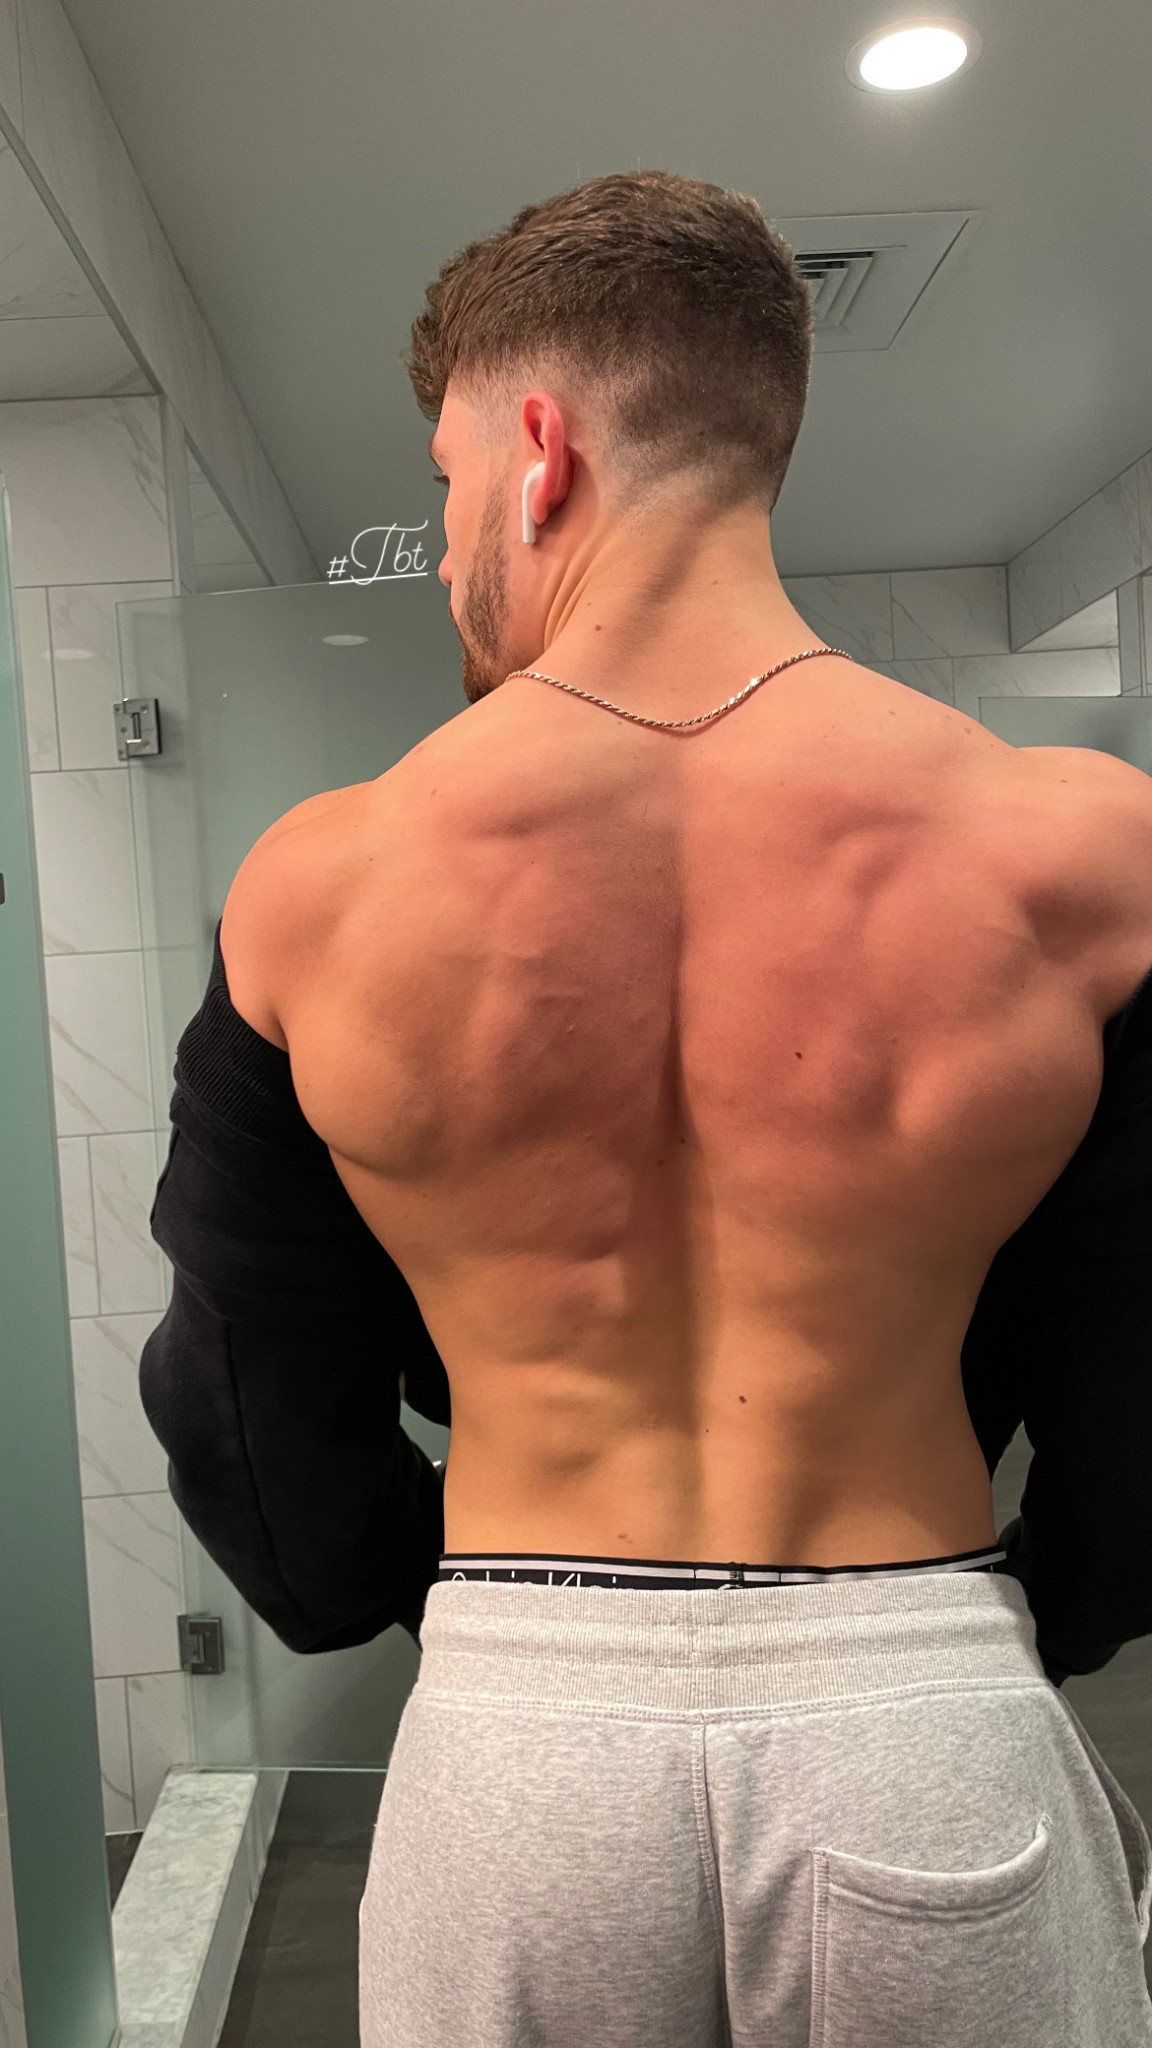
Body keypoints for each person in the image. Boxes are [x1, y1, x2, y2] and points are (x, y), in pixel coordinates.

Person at [142, 172, 1152, 2043]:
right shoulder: (1079, 857)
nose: (444, 550)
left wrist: (441, 1598)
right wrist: (1043, 1609)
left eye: (446, 484)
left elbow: (240, 1394)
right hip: (920, 1712)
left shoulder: (327, 885)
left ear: (539, 453)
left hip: (526, 1750)